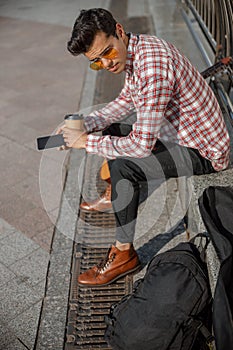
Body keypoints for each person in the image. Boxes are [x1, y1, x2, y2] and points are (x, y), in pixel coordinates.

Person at [59, 8, 230, 286]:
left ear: (119, 31)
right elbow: (127, 100)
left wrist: (86, 142)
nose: (106, 64)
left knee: (126, 166)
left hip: (204, 151)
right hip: (179, 133)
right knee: (111, 132)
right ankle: (117, 191)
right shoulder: (137, 49)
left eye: (108, 52)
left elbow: (140, 147)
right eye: (96, 62)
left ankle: (124, 253)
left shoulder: (152, 67)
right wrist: (85, 124)